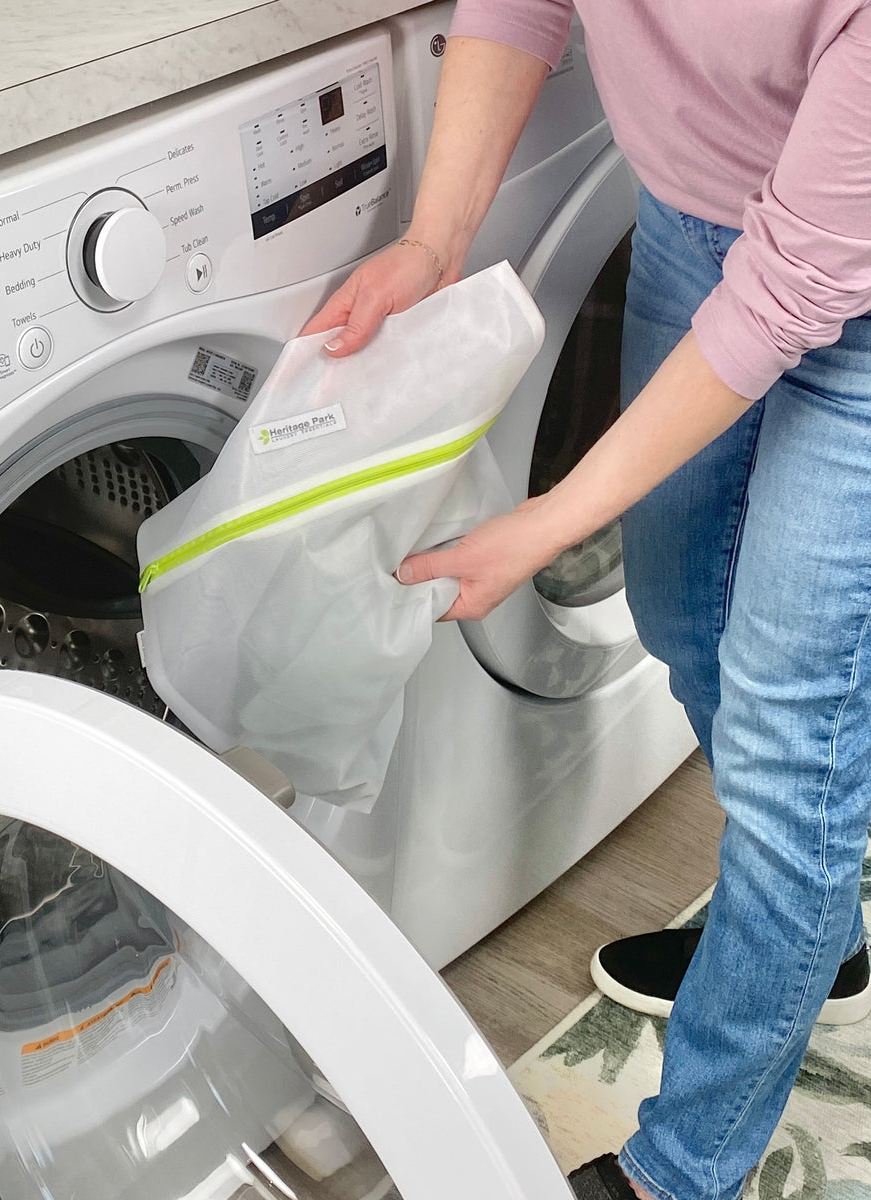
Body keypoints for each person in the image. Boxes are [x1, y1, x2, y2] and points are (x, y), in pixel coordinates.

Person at [300, 2, 871, 1197]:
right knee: (680, 618)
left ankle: (681, 1170)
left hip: (852, 303)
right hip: (687, 221)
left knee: (786, 730)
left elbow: (786, 299)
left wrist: (547, 523)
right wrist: (434, 240)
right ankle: (819, 923)